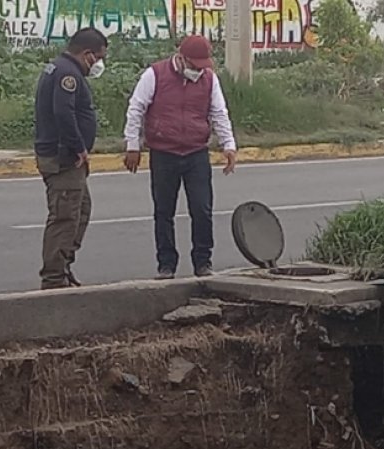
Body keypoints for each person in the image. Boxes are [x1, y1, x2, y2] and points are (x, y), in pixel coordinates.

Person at [123, 35, 237, 280]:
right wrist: (133, 144)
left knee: (202, 209)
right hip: (164, 153)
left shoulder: (209, 79)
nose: (198, 70)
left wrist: (229, 144)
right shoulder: (155, 74)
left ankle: (203, 262)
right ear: (182, 58)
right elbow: (136, 108)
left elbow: (219, 112)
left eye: (202, 65)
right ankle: (166, 265)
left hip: (196, 152)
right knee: (164, 211)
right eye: (195, 65)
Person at [33, 27, 108, 290]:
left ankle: (63, 266)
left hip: (66, 157)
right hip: (63, 158)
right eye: (98, 58)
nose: (99, 64)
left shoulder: (60, 68)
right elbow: (63, 113)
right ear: (87, 54)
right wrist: (78, 147)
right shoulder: (67, 73)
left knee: (81, 210)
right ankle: (53, 280)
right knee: (65, 216)